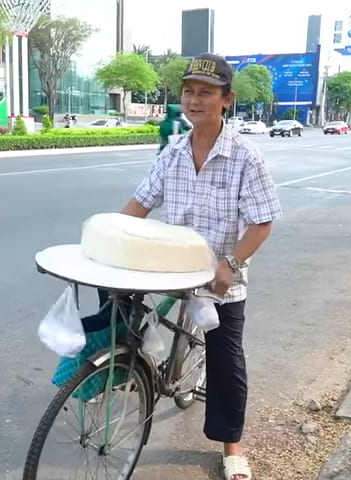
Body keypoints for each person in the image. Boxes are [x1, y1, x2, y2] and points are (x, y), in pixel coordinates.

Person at [120, 52, 283, 480]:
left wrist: (231, 263)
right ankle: (123, 368)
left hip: (219, 275)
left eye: (205, 93)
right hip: (174, 266)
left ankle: (233, 446)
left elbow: (261, 223)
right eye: (188, 92)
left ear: (226, 100)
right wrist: (114, 237)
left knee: (225, 356)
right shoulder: (173, 151)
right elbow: (140, 203)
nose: (194, 101)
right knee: (121, 303)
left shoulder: (246, 157)